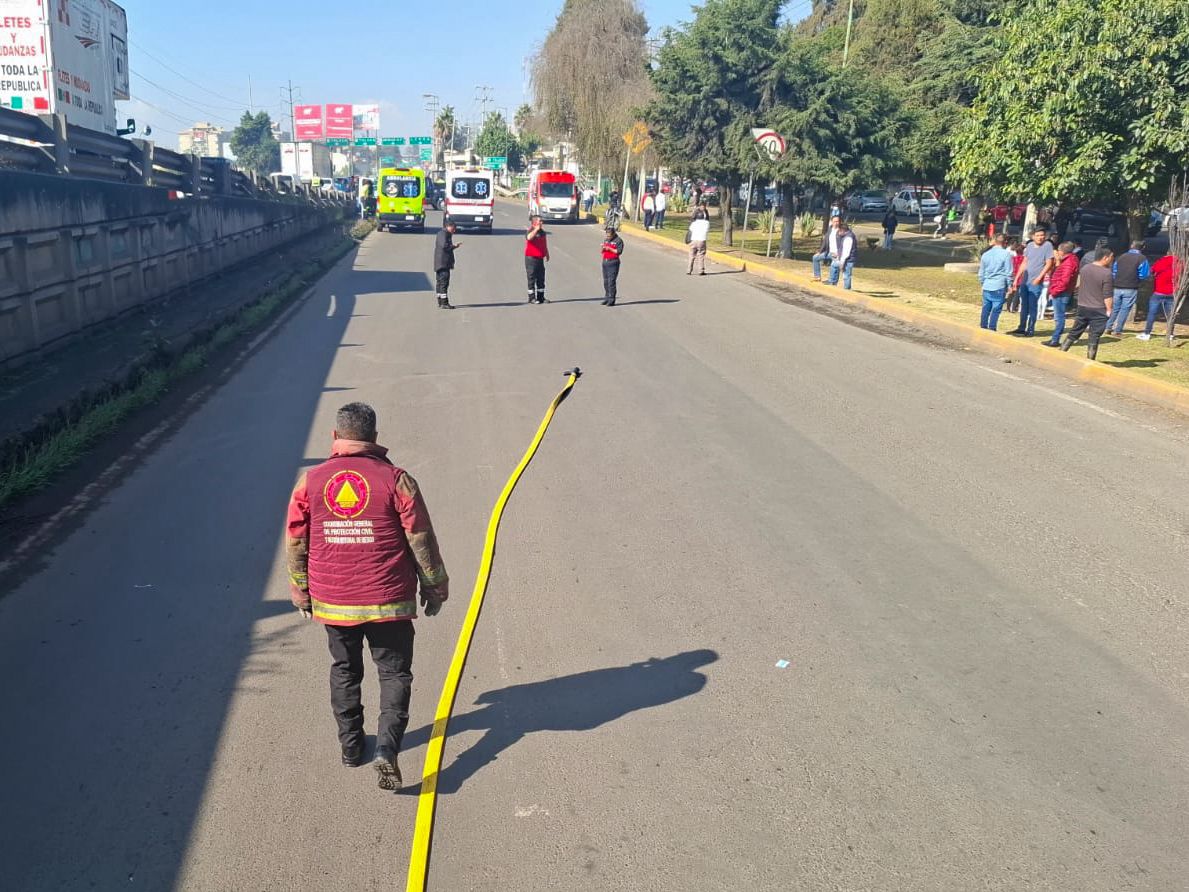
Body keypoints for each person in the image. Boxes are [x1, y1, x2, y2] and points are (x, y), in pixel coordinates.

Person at [286, 402, 449, 790]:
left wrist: (301, 592)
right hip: (388, 600)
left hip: (334, 602)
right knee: (393, 672)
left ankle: (351, 748)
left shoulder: (310, 482)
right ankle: (386, 751)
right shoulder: (397, 480)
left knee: (345, 671)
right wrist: (435, 586)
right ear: (375, 438)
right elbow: (420, 538)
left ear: (335, 436)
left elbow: (296, 541)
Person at [1061, 247, 1114, 360]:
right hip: (1098, 308)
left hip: (1083, 305)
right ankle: (1090, 359)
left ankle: (1062, 351)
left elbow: (1080, 284)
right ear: (1105, 258)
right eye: (1111, 257)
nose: (1112, 259)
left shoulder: (1085, 268)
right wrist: (1109, 309)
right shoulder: (1106, 273)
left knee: (1075, 331)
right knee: (1094, 335)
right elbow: (1107, 294)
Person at [1009, 227, 1055, 337]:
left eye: (1042, 235)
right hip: (1026, 280)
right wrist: (1016, 278)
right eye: (1038, 235)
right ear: (1033, 236)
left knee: (1033, 305)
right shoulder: (1029, 246)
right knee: (1024, 304)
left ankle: (1030, 329)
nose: (1040, 237)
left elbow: (1049, 263)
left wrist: (1040, 277)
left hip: (1036, 281)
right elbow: (1025, 262)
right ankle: (1021, 327)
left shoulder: (1047, 246)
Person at [1106, 240, 1151, 336]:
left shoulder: (1121, 257)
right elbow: (1144, 274)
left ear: (1131, 246)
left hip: (1117, 286)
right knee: (1124, 309)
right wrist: (1137, 279)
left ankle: (1108, 326)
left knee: (1115, 308)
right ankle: (1118, 330)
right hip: (1131, 287)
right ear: (1143, 248)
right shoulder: (1142, 258)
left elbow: (1114, 270)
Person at [1137, 249, 1182, 340]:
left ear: (1167, 253)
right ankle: (1170, 334)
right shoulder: (1180, 263)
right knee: (1170, 314)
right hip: (1172, 292)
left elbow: (1153, 269)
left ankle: (1147, 333)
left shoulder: (1162, 261)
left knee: (1152, 313)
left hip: (1159, 291)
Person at [1041, 241, 1080, 346]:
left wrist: (1054, 291)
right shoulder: (1068, 260)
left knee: (1059, 317)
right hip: (1061, 291)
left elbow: (1064, 280)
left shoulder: (1069, 262)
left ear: (1062, 251)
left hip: (1061, 293)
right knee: (1058, 316)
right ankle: (1055, 338)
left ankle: (1055, 339)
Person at [977, 234, 1014, 331]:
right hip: (999, 285)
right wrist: (1010, 285)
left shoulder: (986, 254)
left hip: (987, 285)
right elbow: (1008, 272)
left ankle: (983, 326)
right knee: (996, 309)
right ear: (1005, 243)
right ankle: (992, 327)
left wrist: (983, 283)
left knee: (986, 307)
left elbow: (981, 272)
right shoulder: (1006, 254)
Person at [433, 220, 460, 310]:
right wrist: (454, 246)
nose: (454, 231)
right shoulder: (443, 234)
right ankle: (444, 302)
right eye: (453, 228)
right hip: (443, 263)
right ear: (449, 226)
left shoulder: (443, 234)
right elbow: (445, 246)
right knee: (444, 283)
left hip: (441, 263)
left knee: (440, 283)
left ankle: (440, 301)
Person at [524, 215, 549, 304]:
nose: (542, 223)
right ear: (534, 223)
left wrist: (547, 253)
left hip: (540, 258)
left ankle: (541, 297)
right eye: (540, 221)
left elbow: (544, 244)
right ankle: (531, 298)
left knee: (541, 278)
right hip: (531, 259)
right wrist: (535, 229)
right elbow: (529, 238)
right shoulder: (530, 230)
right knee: (531, 278)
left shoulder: (542, 232)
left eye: (542, 221)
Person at [827, 221, 857, 290]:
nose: (838, 233)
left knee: (846, 275)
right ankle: (833, 281)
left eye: (839, 231)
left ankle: (847, 289)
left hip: (848, 260)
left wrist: (842, 263)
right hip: (844, 259)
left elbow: (846, 253)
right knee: (834, 265)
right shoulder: (845, 236)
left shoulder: (848, 238)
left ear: (843, 230)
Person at [811, 214, 842, 281]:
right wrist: (820, 251)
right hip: (829, 252)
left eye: (838, 221)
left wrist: (839, 254)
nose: (836, 223)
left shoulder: (841, 231)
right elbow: (825, 241)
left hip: (837, 254)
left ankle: (833, 281)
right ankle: (817, 276)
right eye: (835, 221)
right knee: (815, 257)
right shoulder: (830, 229)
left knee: (834, 266)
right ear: (832, 222)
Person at [601, 225, 624, 305]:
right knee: (606, 282)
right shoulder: (606, 240)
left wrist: (609, 249)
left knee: (611, 282)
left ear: (614, 234)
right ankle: (606, 297)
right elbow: (603, 251)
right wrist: (603, 248)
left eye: (609, 235)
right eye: (607, 234)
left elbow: (619, 251)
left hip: (613, 263)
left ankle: (611, 299)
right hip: (605, 262)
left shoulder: (618, 241)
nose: (608, 236)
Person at [1006, 238, 1024, 313]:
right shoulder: (1023, 259)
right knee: (1017, 294)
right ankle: (1013, 307)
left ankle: (1008, 306)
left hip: (1012, 276)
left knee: (1011, 292)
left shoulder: (1012, 259)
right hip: (1019, 277)